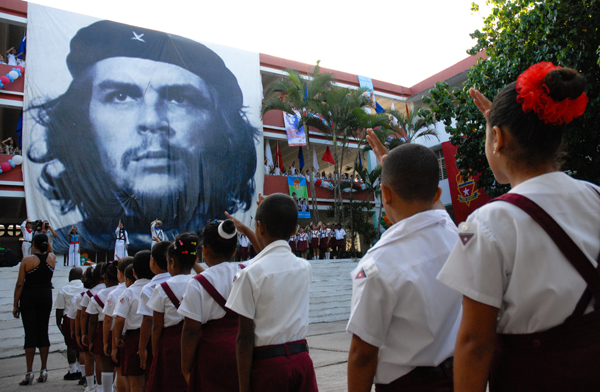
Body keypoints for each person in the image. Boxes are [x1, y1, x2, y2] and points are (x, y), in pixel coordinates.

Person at [28, 19, 259, 254]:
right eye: (121, 96)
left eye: (178, 98)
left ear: (222, 130)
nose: (151, 121)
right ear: (85, 124)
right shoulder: (57, 246)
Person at [437, 63, 599, 392]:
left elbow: (474, 343)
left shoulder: (488, 223)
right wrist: (499, 127)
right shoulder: (596, 197)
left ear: (497, 139)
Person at [347, 138, 461, 392]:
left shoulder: (378, 263)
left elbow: (362, 355)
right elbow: (438, 210)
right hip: (458, 378)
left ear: (385, 194)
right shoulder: (456, 236)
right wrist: (393, 167)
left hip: (407, 385)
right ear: (437, 194)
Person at [226, 193, 318, 392]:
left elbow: (244, 337)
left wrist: (243, 387)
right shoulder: (304, 267)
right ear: (294, 231)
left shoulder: (249, 275)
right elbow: (273, 257)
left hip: (268, 366)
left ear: (260, 227)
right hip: (302, 360)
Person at [179, 221, 242, 391]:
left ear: (204, 249)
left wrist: (185, 368)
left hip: (213, 354)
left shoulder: (196, 284)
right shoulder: (247, 271)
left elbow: (191, 331)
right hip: (244, 348)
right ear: (234, 250)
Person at [146, 233, 197, 392]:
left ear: (172, 262)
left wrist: (156, 352)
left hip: (170, 346)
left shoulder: (162, 288)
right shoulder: (199, 283)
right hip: (195, 342)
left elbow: (156, 326)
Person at [12, 233, 55, 386]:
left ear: (33, 245)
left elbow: (19, 284)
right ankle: (44, 369)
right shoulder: (52, 259)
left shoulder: (27, 260)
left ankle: (29, 371)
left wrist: (15, 304)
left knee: (30, 332)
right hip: (45, 295)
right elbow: (49, 249)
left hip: (29, 296)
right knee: (43, 331)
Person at [112, 250, 154, 392]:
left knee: (135, 379)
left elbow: (119, 319)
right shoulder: (157, 287)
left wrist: (117, 337)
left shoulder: (129, 291)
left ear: (133, 272)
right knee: (151, 377)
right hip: (155, 335)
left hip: (134, 338)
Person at [136, 242, 169, 377]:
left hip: (161, 338)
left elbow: (149, 320)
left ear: (153, 262)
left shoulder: (149, 288)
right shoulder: (190, 281)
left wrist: (143, 347)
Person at [103, 256, 134, 392]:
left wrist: (108, 342)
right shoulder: (144, 288)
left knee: (121, 369)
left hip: (121, 334)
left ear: (120, 274)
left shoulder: (115, 293)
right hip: (137, 333)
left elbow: (110, 320)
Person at [86, 262, 118, 392]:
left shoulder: (98, 296)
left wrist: (90, 338)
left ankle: (103, 389)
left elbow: (92, 321)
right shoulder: (124, 290)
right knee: (119, 365)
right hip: (120, 329)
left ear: (105, 277)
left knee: (103, 364)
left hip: (102, 328)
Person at [80, 263, 107, 392]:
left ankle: (92, 386)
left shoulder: (88, 294)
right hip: (111, 325)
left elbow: (85, 316)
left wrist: (83, 333)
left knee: (93, 357)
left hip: (95, 327)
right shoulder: (115, 289)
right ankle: (105, 386)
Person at [55, 267, 84, 381]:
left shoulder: (64, 289)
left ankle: (72, 371)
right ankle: (83, 371)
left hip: (68, 318)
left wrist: (59, 323)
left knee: (71, 345)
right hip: (83, 317)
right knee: (82, 345)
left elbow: (59, 308)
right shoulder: (84, 287)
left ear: (70, 277)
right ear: (82, 277)